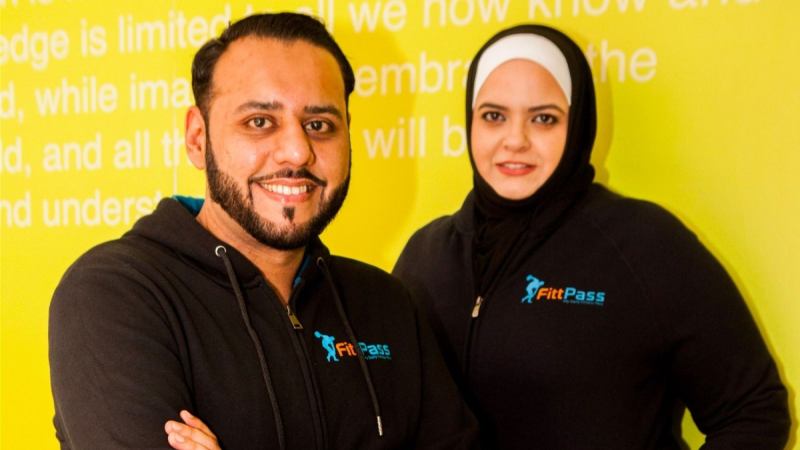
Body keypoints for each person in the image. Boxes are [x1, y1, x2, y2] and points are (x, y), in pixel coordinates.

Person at [48, 13, 477, 450]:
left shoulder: (387, 304)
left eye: (319, 125)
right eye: (259, 122)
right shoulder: (117, 294)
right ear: (197, 139)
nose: (296, 151)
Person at [392, 24, 791, 449]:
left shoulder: (644, 245)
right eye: (494, 116)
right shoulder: (424, 257)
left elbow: (755, 410)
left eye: (543, 118)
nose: (515, 140)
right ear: (470, 122)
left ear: (577, 124)